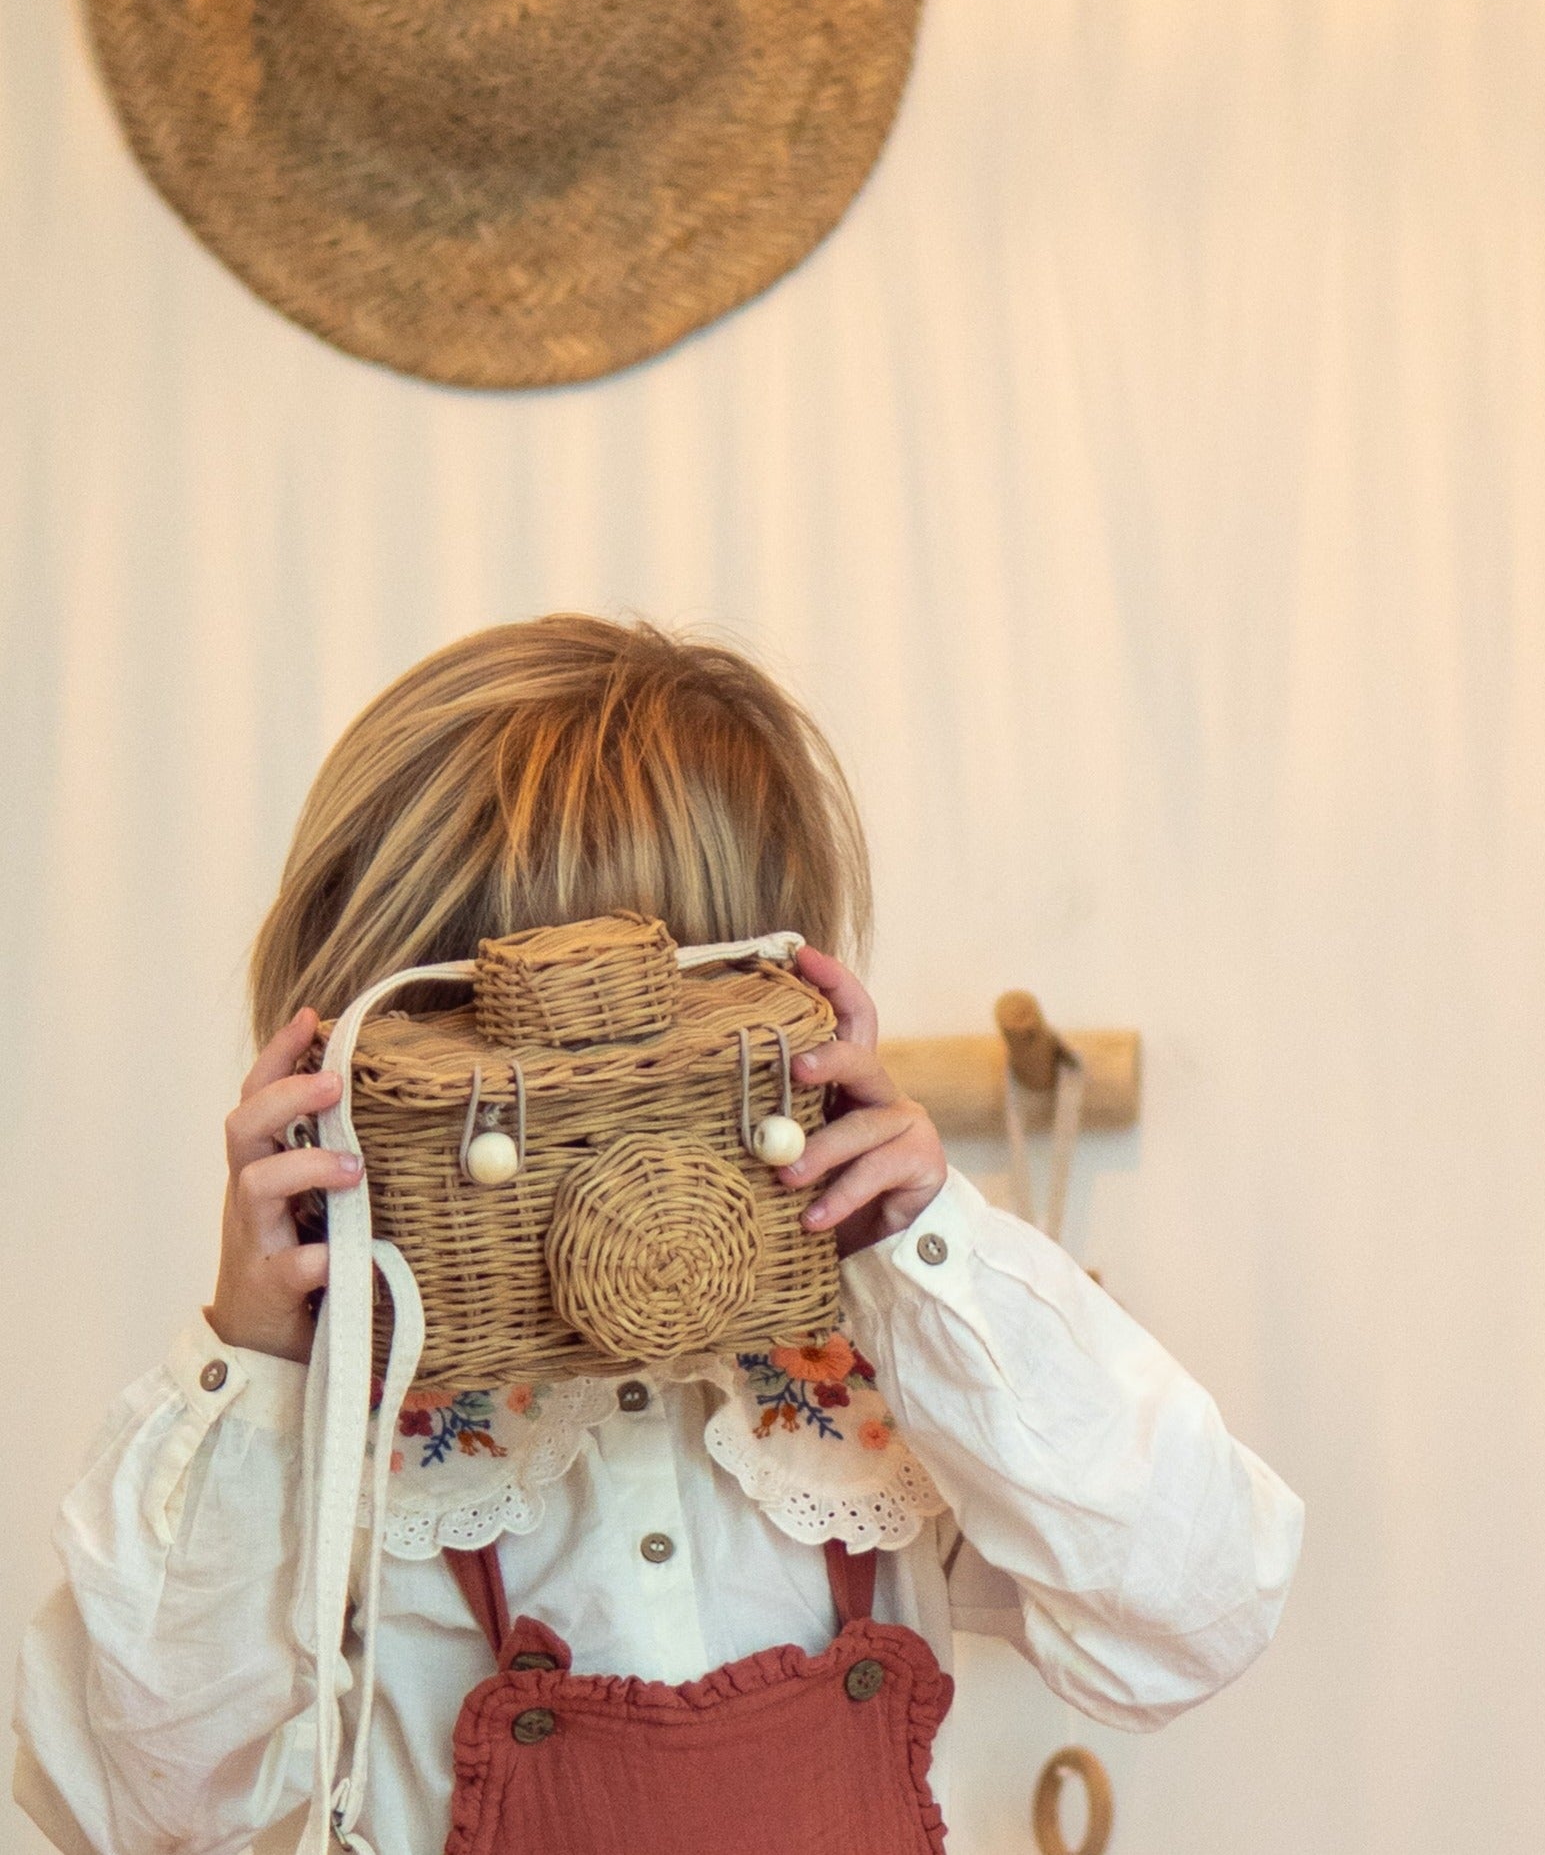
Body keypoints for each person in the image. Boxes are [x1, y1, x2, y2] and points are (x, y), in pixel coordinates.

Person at [12, 616, 1302, 1855]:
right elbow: (136, 1810)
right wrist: (257, 1371)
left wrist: (928, 1251)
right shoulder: (352, 1410)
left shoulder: (879, 1359)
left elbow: (1190, 1616)